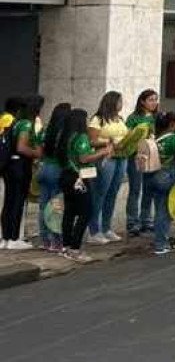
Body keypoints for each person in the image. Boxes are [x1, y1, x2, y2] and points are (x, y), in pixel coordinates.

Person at [47, 107, 111, 262]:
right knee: (85, 212)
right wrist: (102, 153)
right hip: (78, 178)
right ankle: (75, 248)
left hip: (66, 176)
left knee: (69, 212)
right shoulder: (81, 137)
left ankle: (66, 246)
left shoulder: (66, 136)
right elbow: (83, 158)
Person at [86, 90, 129, 245]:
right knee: (100, 192)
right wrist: (108, 142)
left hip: (121, 157)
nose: (121, 104)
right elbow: (91, 141)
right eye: (119, 101)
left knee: (113, 192)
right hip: (105, 158)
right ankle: (94, 230)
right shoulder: (98, 120)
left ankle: (106, 227)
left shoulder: (120, 119)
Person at [1, 95, 42, 248]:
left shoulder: (15, 123)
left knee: (9, 202)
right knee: (18, 202)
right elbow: (21, 147)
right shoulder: (25, 124)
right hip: (20, 166)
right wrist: (36, 153)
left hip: (10, 165)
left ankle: (5, 238)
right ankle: (14, 238)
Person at [147, 111, 175, 255]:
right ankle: (161, 244)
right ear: (172, 124)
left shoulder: (155, 138)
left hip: (154, 175)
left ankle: (161, 241)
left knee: (159, 208)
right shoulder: (174, 139)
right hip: (168, 174)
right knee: (165, 211)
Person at [121, 88, 159, 235]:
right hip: (136, 156)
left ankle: (146, 220)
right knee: (136, 188)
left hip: (152, 156)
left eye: (155, 99)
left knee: (149, 189)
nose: (154, 103)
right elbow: (128, 137)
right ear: (142, 101)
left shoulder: (155, 117)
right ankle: (132, 222)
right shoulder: (133, 118)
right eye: (150, 100)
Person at [33, 103, 70, 253]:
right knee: (56, 207)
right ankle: (57, 241)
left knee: (43, 206)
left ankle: (45, 241)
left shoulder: (46, 130)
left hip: (44, 168)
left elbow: (39, 150)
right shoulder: (64, 132)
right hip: (57, 169)